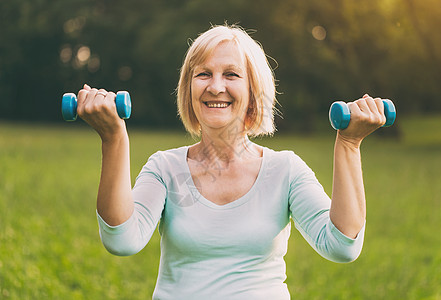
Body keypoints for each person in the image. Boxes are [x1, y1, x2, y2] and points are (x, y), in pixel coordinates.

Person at [76, 24, 388, 299]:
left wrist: (348, 143)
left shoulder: (285, 171)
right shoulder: (165, 168)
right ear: (189, 89)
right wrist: (113, 138)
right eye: (203, 74)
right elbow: (123, 240)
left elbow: (341, 246)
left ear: (254, 93)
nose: (215, 86)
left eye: (231, 74)